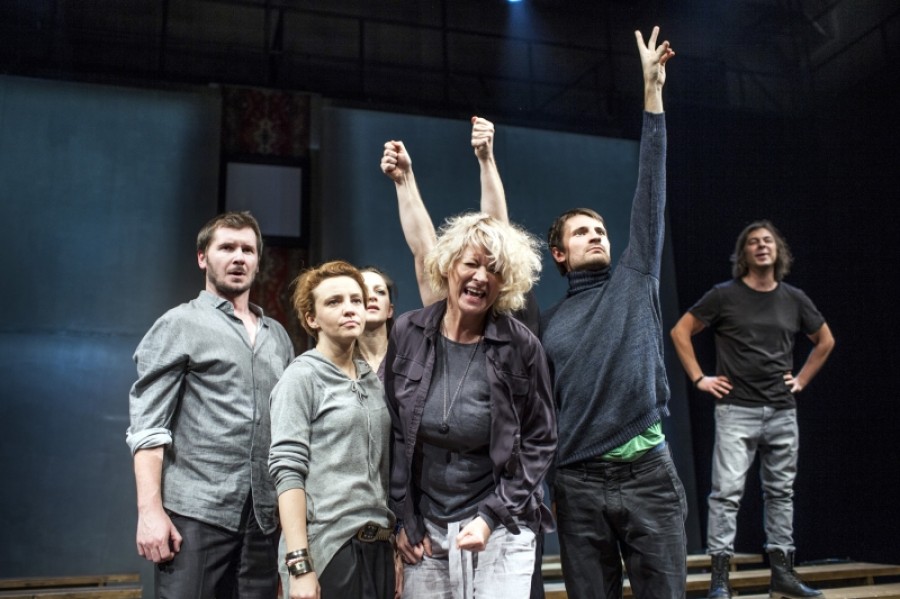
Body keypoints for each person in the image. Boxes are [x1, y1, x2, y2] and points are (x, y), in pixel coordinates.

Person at [539, 27, 686, 599]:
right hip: (577, 483)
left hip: (648, 471)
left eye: (600, 229)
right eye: (582, 232)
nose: (597, 234)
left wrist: (652, 94)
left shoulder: (635, 276)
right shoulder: (547, 323)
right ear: (559, 253)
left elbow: (652, 188)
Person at [381, 116, 546, 599]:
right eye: (470, 264)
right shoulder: (412, 331)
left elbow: (540, 440)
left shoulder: (518, 342)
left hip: (499, 521)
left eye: (493, 270)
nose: (480, 275)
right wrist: (402, 518)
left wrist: (486, 158)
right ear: (448, 267)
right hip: (428, 528)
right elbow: (396, 435)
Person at [126, 211, 295, 598]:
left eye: (248, 250)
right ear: (203, 257)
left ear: (258, 261)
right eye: (227, 248)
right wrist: (149, 512)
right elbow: (148, 429)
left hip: (263, 521)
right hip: (197, 514)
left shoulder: (278, 336)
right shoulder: (179, 324)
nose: (238, 257)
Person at [670, 221, 835, 599]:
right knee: (726, 494)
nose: (762, 246)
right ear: (743, 253)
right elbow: (681, 331)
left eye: (768, 241)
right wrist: (699, 378)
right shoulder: (724, 296)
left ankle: (782, 576)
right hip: (736, 410)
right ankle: (720, 580)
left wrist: (802, 379)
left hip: (781, 411)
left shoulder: (794, 298)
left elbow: (824, 340)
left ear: (778, 251)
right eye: (754, 242)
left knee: (781, 493)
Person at [269, 260, 395, 599]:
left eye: (356, 300)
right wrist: (299, 564)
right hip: (329, 547)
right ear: (312, 318)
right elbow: (287, 471)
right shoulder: (301, 377)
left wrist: (393, 546)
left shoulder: (371, 380)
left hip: (379, 545)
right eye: (334, 302)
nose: (350, 309)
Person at [357, 266, 397, 380]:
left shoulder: (408, 358)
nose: (372, 297)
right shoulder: (337, 363)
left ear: (389, 310)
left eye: (380, 292)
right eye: (363, 291)